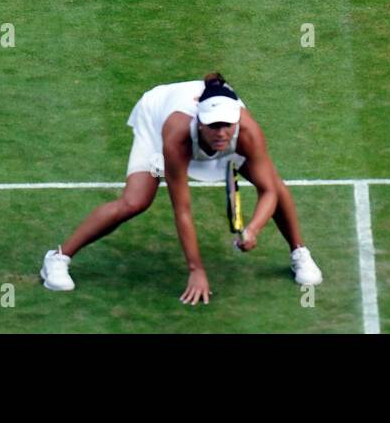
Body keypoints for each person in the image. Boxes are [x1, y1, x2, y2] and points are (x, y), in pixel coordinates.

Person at [41, 73, 322, 303]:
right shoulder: (176, 136)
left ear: (236, 121)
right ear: (199, 122)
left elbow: (268, 191)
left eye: (227, 125)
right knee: (135, 201)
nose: (221, 133)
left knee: (276, 184)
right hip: (156, 116)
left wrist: (253, 229)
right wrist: (196, 269)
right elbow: (183, 210)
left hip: (213, 133)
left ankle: (299, 252)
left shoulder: (248, 132)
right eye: (213, 126)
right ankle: (58, 258)